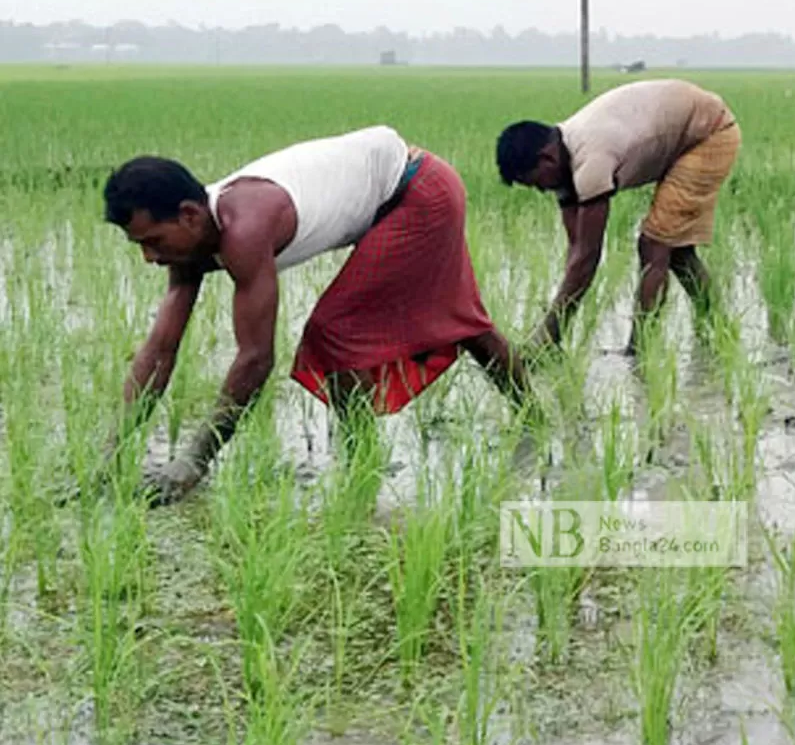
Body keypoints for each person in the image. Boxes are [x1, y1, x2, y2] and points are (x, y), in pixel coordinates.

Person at [101, 125, 529, 504]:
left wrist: (194, 461)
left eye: (153, 241)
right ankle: (533, 416)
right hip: (397, 186)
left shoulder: (244, 229)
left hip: (417, 191)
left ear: (189, 215)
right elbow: (160, 350)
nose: (148, 257)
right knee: (462, 317)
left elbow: (255, 358)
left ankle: (363, 460)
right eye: (140, 244)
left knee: (334, 331)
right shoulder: (190, 239)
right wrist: (109, 458)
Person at [496, 79, 741, 355]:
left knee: (655, 245)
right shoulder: (564, 163)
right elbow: (576, 248)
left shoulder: (591, 159)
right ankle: (719, 326)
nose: (541, 190)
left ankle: (640, 350)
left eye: (536, 182)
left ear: (547, 158)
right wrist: (561, 311)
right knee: (677, 250)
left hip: (710, 133)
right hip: (681, 128)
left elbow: (588, 256)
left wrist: (547, 334)